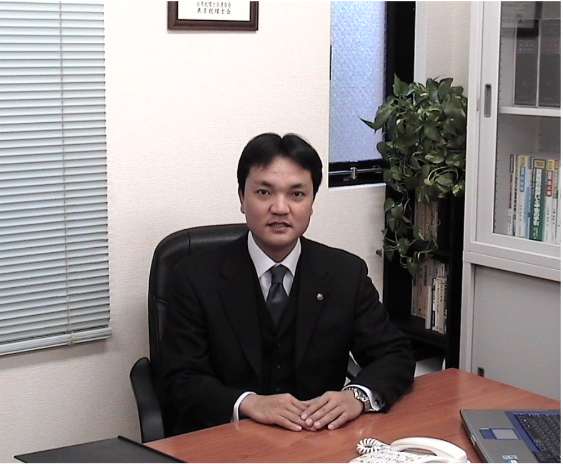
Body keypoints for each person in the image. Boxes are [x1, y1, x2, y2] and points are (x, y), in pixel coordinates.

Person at [159, 133, 415, 435]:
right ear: (242, 198)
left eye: (297, 194)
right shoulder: (193, 276)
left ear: (312, 203)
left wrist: (356, 396)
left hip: (317, 439)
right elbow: (180, 379)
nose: (280, 208)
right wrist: (248, 403)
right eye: (264, 192)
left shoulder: (345, 273)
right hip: (229, 440)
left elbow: (395, 354)